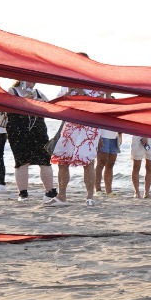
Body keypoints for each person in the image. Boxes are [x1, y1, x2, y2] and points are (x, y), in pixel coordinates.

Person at [50, 76, 102, 206]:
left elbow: (101, 108)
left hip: (89, 128)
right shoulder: (66, 86)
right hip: (69, 127)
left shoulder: (96, 87)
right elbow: (55, 106)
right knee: (62, 160)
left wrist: (82, 92)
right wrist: (68, 93)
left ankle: (90, 197)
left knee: (88, 162)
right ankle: (61, 196)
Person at [5, 79, 57, 201]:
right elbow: (7, 106)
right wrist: (24, 100)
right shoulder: (12, 91)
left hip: (38, 130)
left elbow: (51, 108)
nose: (31, 84)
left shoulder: (38, 93)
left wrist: (40, 102)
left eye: (33, 82)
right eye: (28, 81)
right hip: (18, 130)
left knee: (44, 159)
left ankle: (49, 191)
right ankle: (23, 193)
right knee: (22, 161)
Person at [94, 126, 121, 196]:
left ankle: (108, 190)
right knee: (101, 163)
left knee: (110, 164)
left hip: (115, 137)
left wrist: (120, 134)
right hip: (103, 136)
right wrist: (98, 136)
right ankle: (97, 189)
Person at [130, 134, 151, 198]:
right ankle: (136, 192)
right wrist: (144, 135)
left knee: (150, 167)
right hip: (138, 137)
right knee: (136, 166)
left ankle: (147, 192)